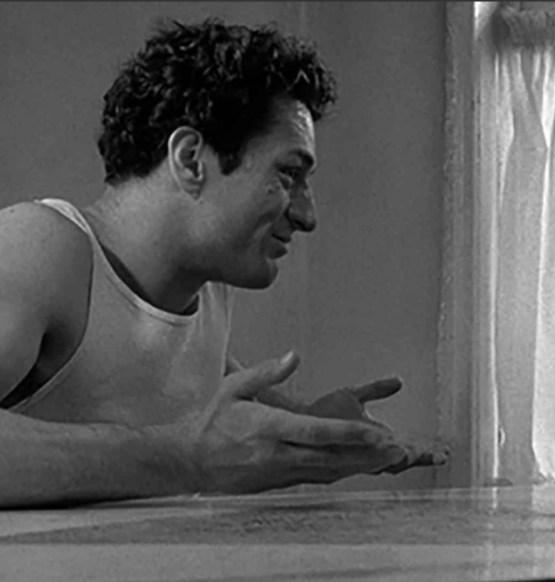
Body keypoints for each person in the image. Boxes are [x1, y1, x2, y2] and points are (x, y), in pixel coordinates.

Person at [0, 18, 447, 508]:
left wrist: (312, 427)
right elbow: (193, 447)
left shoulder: (205, 291)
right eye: (289, 173)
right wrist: (187, 460)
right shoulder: (37, 247)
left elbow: (174, 392)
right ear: (191, 159)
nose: (307, 215)